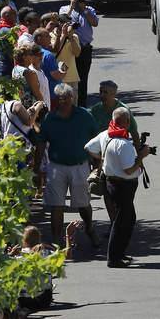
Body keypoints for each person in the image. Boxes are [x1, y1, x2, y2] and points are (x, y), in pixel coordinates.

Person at [84, 107, 150, 267]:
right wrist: (142, 155)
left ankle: (119, 254)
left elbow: (88, 147)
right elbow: (129, 169)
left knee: (128, 218)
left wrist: (102, 160)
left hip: (111, 182)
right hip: (122, 185)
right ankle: (113, 258)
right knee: (121, 220)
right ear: (127, 122)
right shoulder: (123, 144)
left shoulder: (105, 135)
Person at [38, 83, 100, 249]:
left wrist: (98, 162)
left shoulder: (84, 116)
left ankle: (89, 228)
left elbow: (97, 137)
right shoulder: (50, 118)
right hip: (56, 167)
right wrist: (37, 167)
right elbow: (41, 142)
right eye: (60, 99)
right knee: (56, 205)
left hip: (80, 166)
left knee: (83, 204)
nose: (63, 102)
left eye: (66, 99)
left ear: (72, 98)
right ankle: (57, 242)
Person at [59, 0, 98, 107]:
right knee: (69, 77)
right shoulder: (64, 9)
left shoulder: (88, 9)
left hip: (85, 48)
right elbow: (62, 20)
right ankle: (68, 104)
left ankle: (82, 105)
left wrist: (84, 8)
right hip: (69, 50)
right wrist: (72, 7)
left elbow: (94, 23)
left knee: (83, 77)